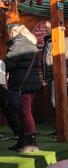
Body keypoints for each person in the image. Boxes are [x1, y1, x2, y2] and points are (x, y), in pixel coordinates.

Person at [4, 24, 41, 152]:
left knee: (25, 113)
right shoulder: (32, 45)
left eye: (10, 32)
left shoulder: (17, 44)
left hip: (22, 85)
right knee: (24, 112)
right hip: (32, 84)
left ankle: (32, 144)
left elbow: (8, 65)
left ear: (14, 33)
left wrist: (2, 63)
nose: (9, 35)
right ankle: (22, 141)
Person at [41, 21, 68, 137]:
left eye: (47, 27)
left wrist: (67, 75)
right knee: (56, 101)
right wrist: (45, 77)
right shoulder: (48, 40)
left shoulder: (64, 40)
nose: (46, 30)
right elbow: (46, 60)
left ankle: (65, 128)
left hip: (59, 75)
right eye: (45, 28)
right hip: (51, 76)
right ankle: (61, 127)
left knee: (59, 101)